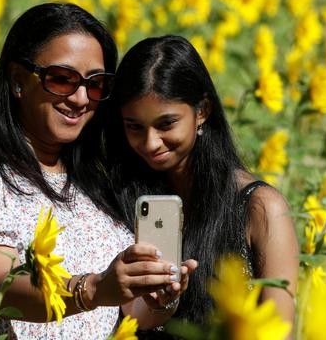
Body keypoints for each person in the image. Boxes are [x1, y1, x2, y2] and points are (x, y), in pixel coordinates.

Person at [0, 4, 196, 339]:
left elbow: (127, 311)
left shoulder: (98, 181)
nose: (80, 98)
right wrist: (93, 289)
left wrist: (157, 299)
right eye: (62, 79)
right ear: (18, 80)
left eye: (95, 85)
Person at [104, 35, 299, 334]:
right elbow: (132, 315)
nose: (150, 142)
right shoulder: (121, 195)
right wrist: (160, 302)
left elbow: (278, 329)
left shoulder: (259, 207)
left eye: (166, 124)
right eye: (135, 127)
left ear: (202, 111)